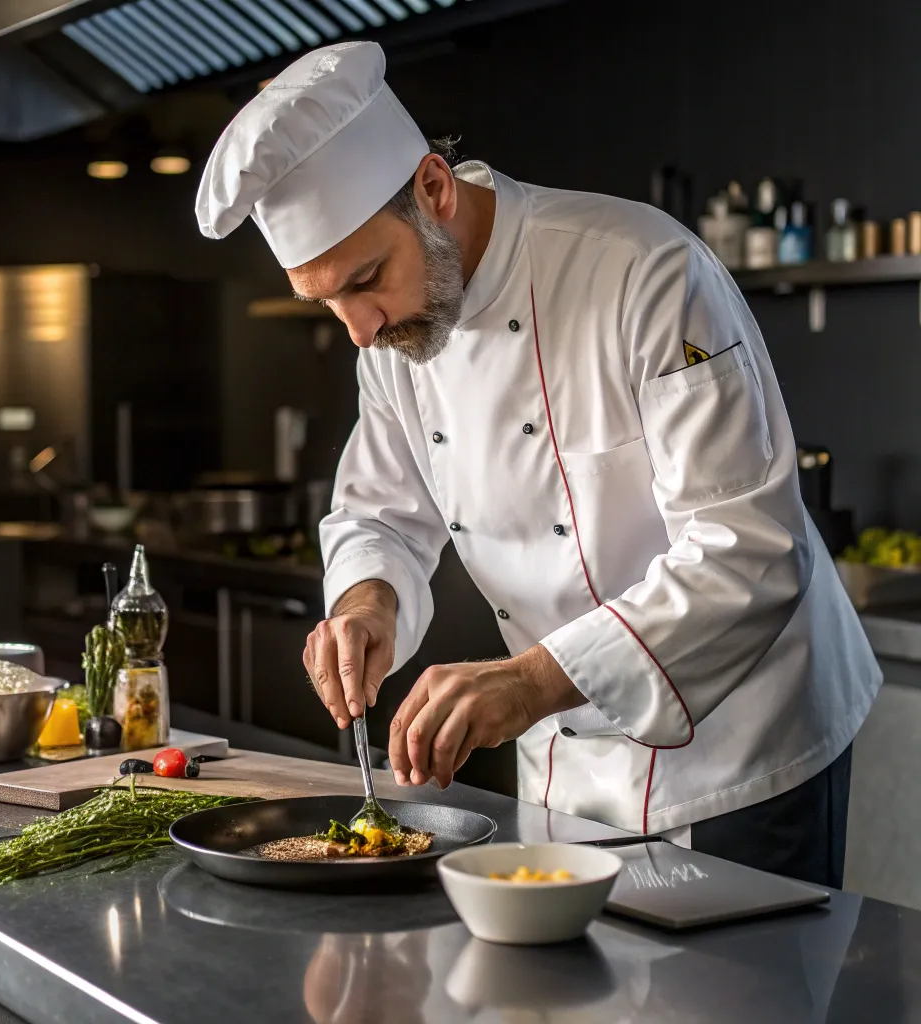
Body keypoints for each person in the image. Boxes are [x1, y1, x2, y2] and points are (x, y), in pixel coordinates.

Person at [195, 41, 881, 887]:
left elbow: (750, 548)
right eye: (327, 300)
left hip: (740, 753)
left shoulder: (644, 272)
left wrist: (529, 681)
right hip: (565, 767)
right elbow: (379, 514)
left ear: (433, 191)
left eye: (366, 280)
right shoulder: (393, 336)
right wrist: (367, 602)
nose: (358, 330)